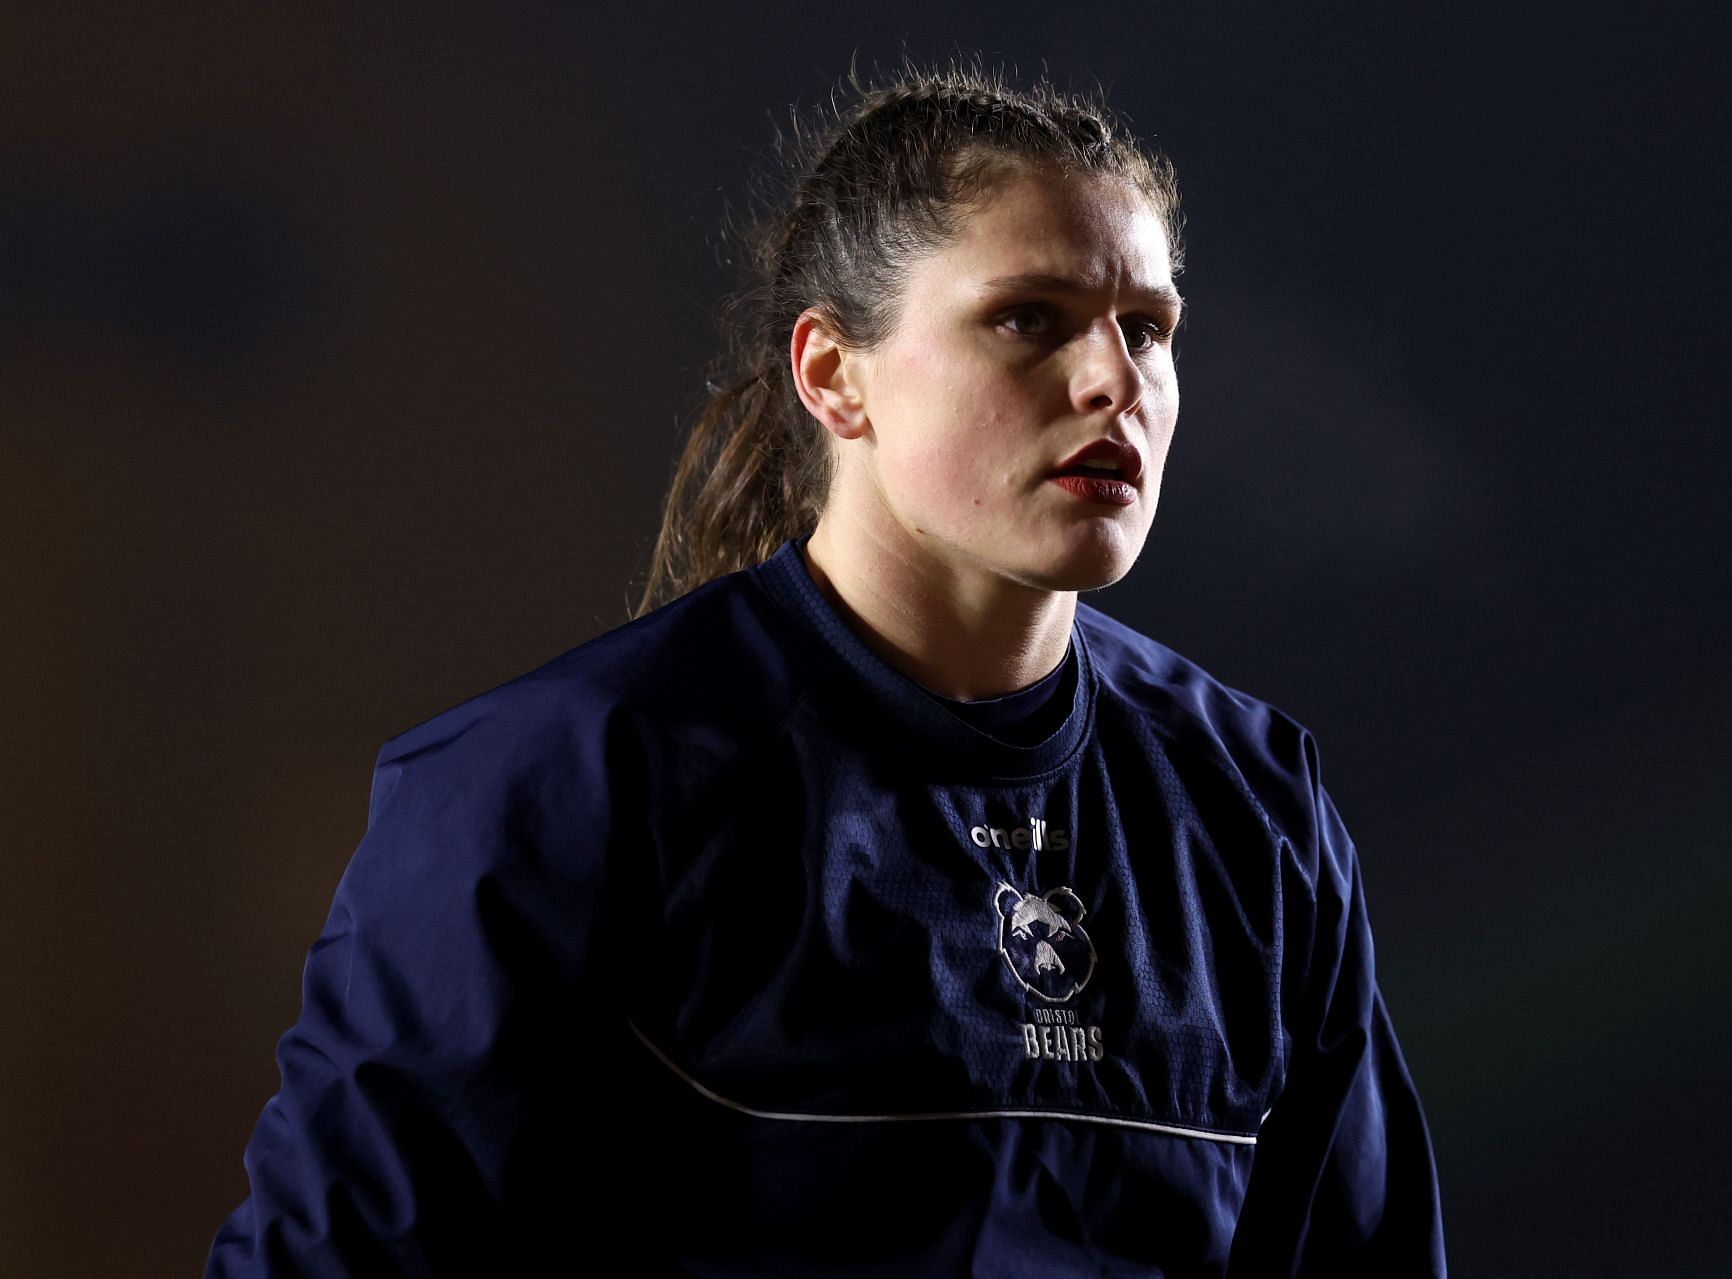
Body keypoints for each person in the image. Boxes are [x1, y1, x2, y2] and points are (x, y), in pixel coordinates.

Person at [207, 58, 1447, 1277]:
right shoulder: (560, 788)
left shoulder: (1254, 808)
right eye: (1029, 318)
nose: (1113, 381)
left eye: (1149, 329)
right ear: (832, 375)